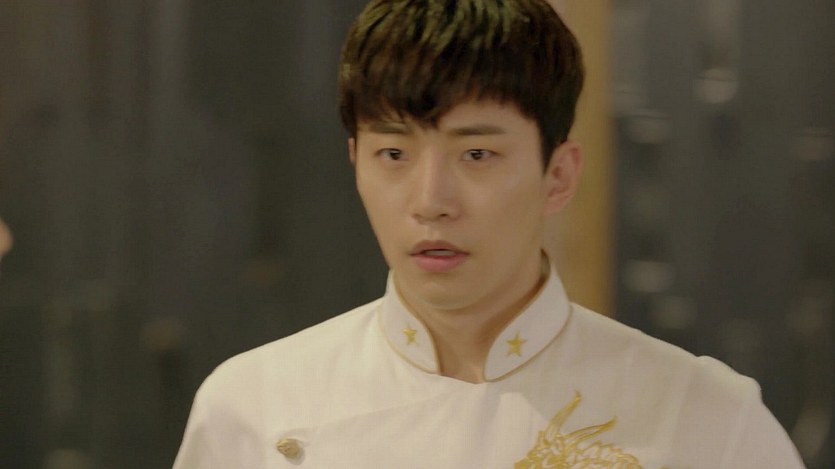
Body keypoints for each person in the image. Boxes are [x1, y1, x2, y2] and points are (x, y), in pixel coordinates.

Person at [174, 1, 805, 467]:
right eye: (394, 154)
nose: (431, 202)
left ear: (558, 175)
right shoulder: (254, 406)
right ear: (355, 163)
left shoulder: (704, 418)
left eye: (477, 155)